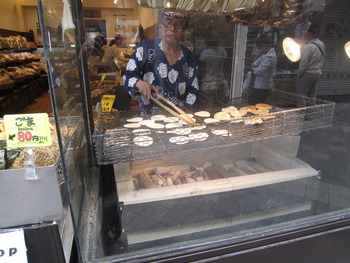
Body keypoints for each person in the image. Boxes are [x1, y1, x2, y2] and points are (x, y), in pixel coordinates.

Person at [123, 11, 199, 109]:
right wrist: (139, 83)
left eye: (178, 24)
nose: (172, 29)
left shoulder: (188, 56)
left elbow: (193, 91)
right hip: (148, 118)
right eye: (168, 22)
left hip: (177, 119)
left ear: (184, 30)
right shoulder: (146, 48)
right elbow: (128, 76)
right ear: (160, 27)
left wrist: (189, 113)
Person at [296, 23, 325, 105]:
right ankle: (310, 115)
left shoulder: (308, 47)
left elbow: (304, 63)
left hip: (307, 74)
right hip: (317, 73)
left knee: (301, 96)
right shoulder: (321, 44)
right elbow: (323, 59)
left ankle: (301, 114)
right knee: (312, 96)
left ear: (309, 33)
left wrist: (299, 73)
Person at [245, 38, 277, 104]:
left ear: (265, 46)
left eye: (260, 47)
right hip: (258, 84)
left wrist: (253, 69)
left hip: (263, 86)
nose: (259, 50)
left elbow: (259, 71)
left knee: (257, 104)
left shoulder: (270, 56)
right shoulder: (264, 54)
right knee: (252, 102)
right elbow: (254, 64)